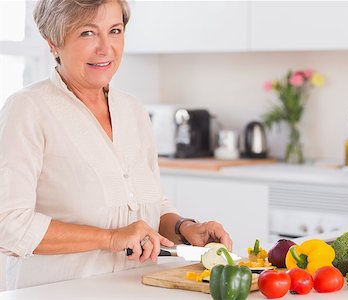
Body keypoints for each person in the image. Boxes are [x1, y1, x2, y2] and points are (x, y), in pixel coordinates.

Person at [0, 0, 231, 289]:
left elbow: (151, 207)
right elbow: (7, 224)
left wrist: (185, 228)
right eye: (87, 33)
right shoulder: (28, 109)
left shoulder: (132, 110)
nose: (105, 48)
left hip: (139, 290)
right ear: (53, 43)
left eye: (115, 30)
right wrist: (109, 238)